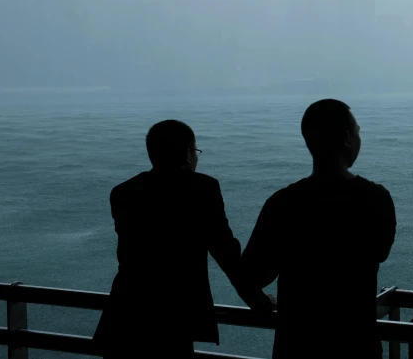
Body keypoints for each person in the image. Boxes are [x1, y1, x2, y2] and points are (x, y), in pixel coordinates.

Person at [94, 120, 272, 359]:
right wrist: (258, 301)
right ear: (188, 155)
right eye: (196, 151)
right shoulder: (202, 189)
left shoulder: (123, 193)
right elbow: (226, 253)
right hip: (173, 321)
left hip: (124, 315)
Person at [242, 99, 396, 359]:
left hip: (297, 344)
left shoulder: (282, 202)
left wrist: (260, 301)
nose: (360, 139)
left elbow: (251, 274)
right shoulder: (375, 198)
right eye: (358, 132)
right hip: (355, 343)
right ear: (347, 138)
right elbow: (381, 252)